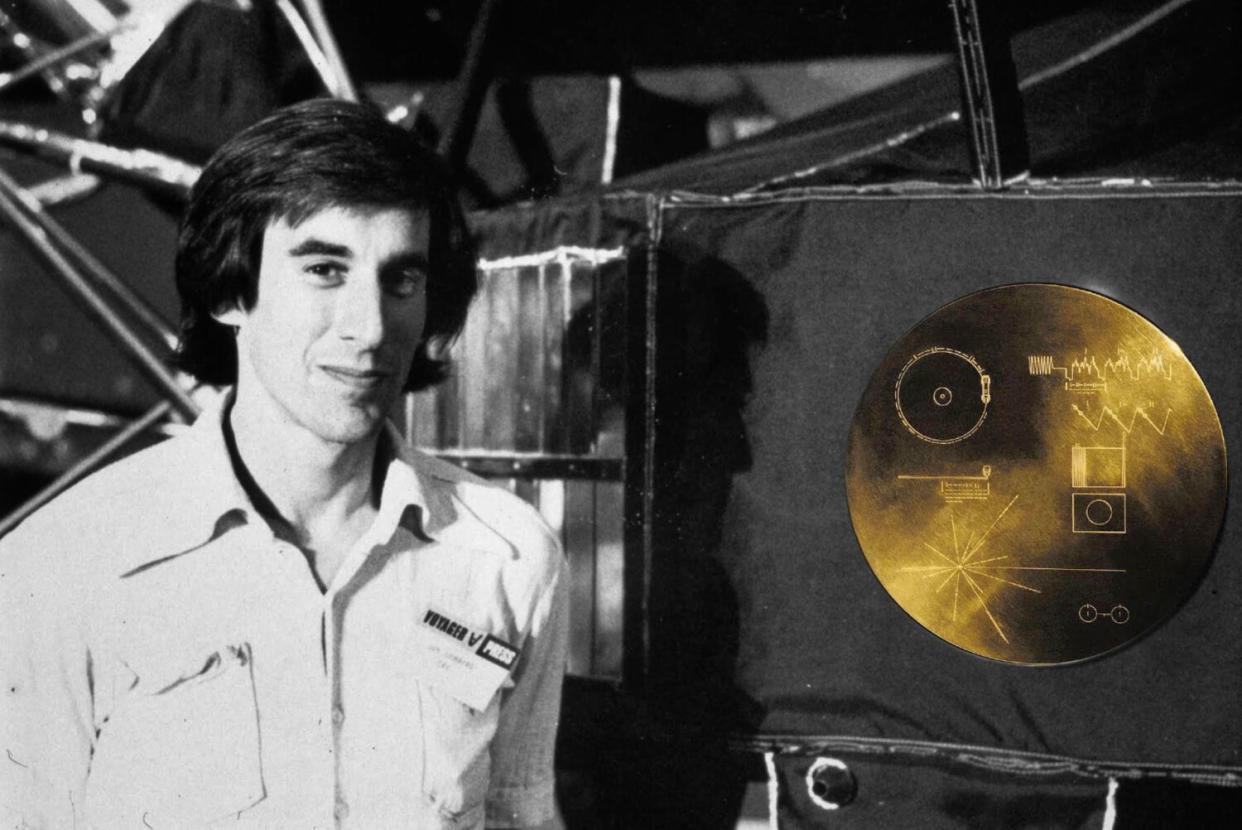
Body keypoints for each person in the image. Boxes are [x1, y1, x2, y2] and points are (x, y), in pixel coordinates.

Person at [0, 99, 568, 829]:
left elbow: (523, 816)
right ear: (232, 290)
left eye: (401, 279)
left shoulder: (507, 558)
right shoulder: (62, 570)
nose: (369, 329)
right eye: (326, 269)